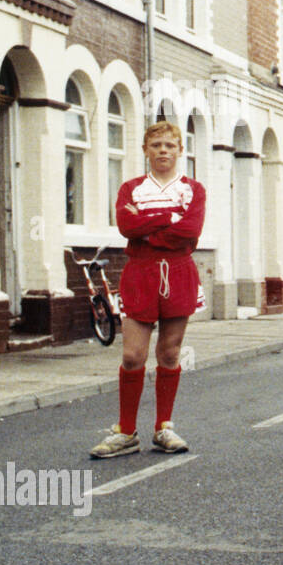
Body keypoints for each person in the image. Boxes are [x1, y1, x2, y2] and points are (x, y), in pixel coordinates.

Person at [90, 121, 205, 458]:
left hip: (179, 272)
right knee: (132, 355)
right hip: (139, 272)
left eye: (170, 145)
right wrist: (168, 219)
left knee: (169, 353)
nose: (163, 151)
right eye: (156, 146)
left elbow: (191, 230)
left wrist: (148, 226)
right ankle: (126, 432)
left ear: (180, 150)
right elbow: (127, 226)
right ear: (145, 150)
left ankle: (164, 427)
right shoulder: (130, 189)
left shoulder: (193, 190)